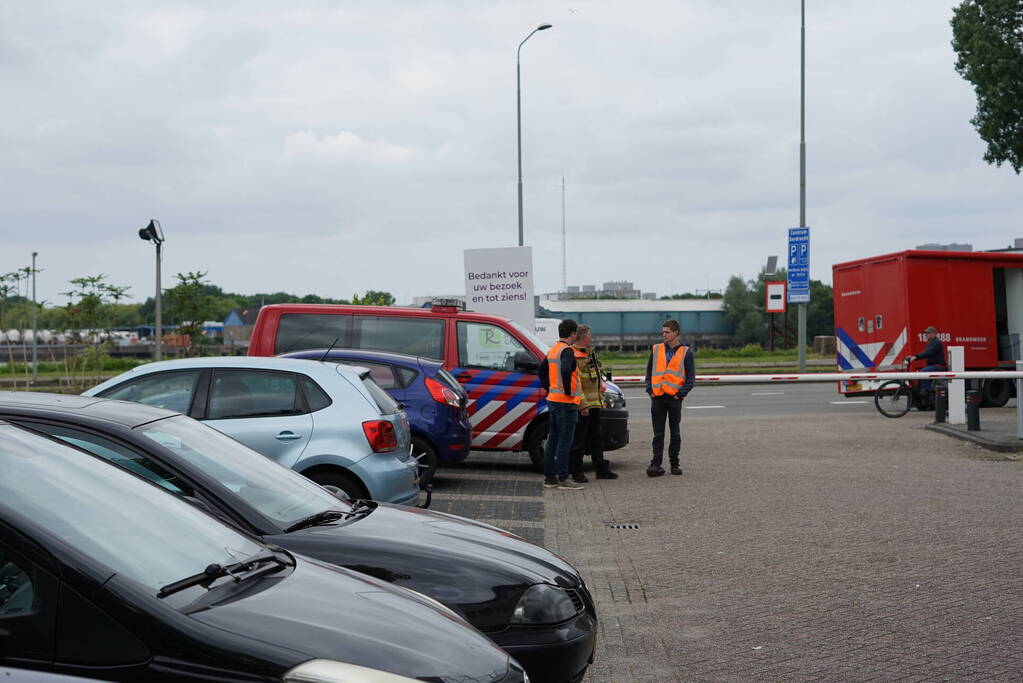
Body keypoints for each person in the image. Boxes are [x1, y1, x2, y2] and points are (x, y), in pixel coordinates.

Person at [644, 319, 695, 477]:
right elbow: (648, 373)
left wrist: (679, 395)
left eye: (667, 332)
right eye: (663, 332)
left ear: (676, 333)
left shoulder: (686, 352)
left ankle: (674, 463)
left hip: (674, 399)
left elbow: (690, 379)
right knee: (658, 434)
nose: (664, 334)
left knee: (675, 433)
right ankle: (656, 463)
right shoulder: (657, 349)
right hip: (658, 398)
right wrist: (650, 391)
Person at [569, 325, 618, 482]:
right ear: (583, 337)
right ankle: (576, 471)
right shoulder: (575, 356)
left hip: (594, 403)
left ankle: (601, 469)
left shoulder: (589, 353)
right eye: (590, 335)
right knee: (579, 440)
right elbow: (576, 384)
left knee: (596, 437)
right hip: (584, 406)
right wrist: (582, 405)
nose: (591, 337)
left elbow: (594, 380)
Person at [541, 319, 585, 490]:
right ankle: (563, 477)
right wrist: (567, 390)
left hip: (553, 401)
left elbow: (541, 371)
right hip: (566, 403)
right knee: (565, 442)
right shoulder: (567, 351)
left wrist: (550, 388)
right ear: (573, 333)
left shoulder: (553, 350)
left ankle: (550, 478)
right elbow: (566, 370)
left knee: (552, 439)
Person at [907, 325, 946, 396]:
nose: (926, 335)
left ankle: (926, 391)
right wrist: (913, 356)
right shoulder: (930, 342)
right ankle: (922, 389)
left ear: (933, 334)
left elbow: (928, 352)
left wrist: (916, 357)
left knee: (923, 372)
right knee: (922, 372)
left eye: (928, 333)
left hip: (938, 366)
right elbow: (926, 352)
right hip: (933, 366)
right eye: (926, 333)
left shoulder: (937, 343)